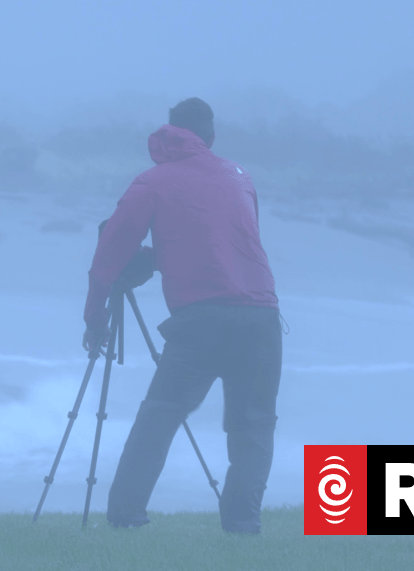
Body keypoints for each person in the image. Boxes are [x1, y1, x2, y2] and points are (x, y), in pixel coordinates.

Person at [82, 97, 281, 534]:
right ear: (210, 137)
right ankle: (243, 527)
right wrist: (160, 259)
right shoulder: (239, 177)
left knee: (160, 415)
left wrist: (95, 319)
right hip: (263, 315)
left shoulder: (152, 182)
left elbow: (108, 257)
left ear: (169, 134)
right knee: (254, 426)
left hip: (203, 319)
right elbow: (227, 246)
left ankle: (126, 518)